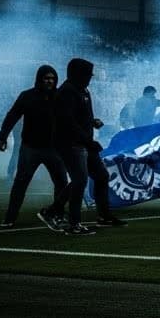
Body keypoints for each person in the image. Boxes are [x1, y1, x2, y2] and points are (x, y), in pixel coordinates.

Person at [53, 58, 124, 234]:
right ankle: (72, 223)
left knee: (101, 176)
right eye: (87, 75)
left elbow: (78, 117)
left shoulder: (82, 90)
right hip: (71, 144)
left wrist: (92, 122)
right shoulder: (67, 92)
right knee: (80, 180)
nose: (89, 79)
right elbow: (68, 122)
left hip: (83, 142)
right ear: (77, 74)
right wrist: (89, 141)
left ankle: (104, 216)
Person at [0, 65, 69, 229]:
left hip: (54, 148)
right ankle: (10, 217)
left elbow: (72, 117)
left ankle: (58, 215)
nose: (50, 81)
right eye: (46, 78)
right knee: (20, 183)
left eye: (52, 78)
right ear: (39, 79)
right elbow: (12, 115)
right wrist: (2, 137)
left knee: (61, 183)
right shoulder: (27, 96)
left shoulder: (60, 96)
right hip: (30, 148)